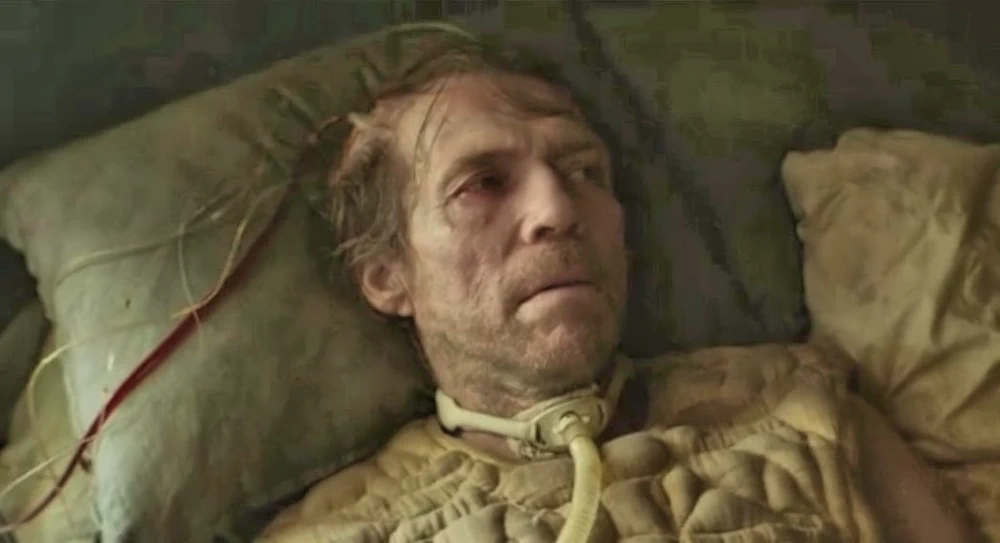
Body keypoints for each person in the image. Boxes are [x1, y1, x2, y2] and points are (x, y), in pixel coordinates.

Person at [259, 37, 976, 543]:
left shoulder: (805, 412)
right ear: (387, 275)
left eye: (584, 172)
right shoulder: (338, 532)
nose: (557, 209)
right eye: (482, 184)